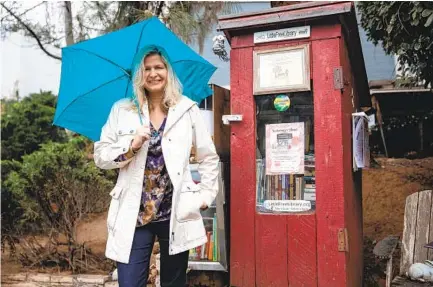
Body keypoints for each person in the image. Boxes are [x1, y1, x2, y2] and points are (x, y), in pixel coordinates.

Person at [93, 47, 219, 287]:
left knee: (173, 283)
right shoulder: (122, 110)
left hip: (175, 211)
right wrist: (132, 146)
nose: (153, 73)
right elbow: (101, 156)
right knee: (130, 283)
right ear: (139, 75)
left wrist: (205, 195)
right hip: (134, 212)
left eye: (158, 67)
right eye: (147, 68)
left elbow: (208, 157)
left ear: (168, 71)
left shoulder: (186, 109)